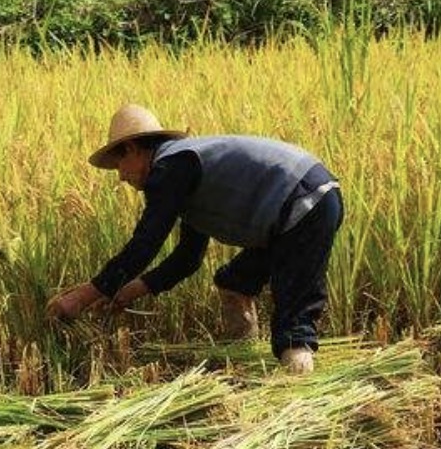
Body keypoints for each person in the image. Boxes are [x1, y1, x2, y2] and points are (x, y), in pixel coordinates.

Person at [47, 104, 343, 374]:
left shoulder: (171, 167)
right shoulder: (185, 170)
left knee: (293, 321)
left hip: (304, 204)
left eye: (119, 166)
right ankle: (240, 360)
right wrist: (128, 291)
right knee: (234, 281)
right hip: (300, 209)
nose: (121, 177)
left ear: (132, 149)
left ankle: (298, 398)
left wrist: (83, 296)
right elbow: (188, 258)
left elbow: (145, 243)